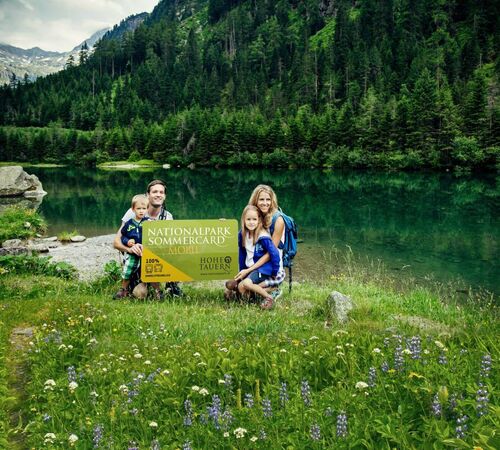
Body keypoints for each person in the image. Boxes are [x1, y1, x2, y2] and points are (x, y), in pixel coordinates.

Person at [113, 179, 182, 299]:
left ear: (164, 196)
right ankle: (127, 288)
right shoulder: (134, 212)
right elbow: (116, 242)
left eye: (161, 192)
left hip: (156, 263)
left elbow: (171, 243)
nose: (158, 194)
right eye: (155, 191)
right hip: (136, 262)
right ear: (147, 195)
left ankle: (170, 287)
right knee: (140, 294)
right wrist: (129, 248)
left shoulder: (167, 216)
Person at [114, 194, 162, 299]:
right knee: (128, 270)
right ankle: (123, 290)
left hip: (146, 253)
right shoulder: (129, 223)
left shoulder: (148, 222)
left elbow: (155, 236)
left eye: (144, 209)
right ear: (133, 209)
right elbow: (123, 236)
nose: (141, 211)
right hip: (133, 253)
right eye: (138, 208)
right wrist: (128, 242)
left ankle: (158, 292)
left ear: (147, 209)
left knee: (151, 272)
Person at [233, 205, 280, 310]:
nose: (251, 222)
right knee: (241, 288)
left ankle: (268, 297)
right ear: (243, 220)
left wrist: (274, 273)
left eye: (254, 219)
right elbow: (229, 239)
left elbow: (275, 254)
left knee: (246, 283)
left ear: (259, 220)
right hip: (251, 268)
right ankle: (266, 291)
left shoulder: (263, 237)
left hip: (262, 269)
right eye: (248, 219)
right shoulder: (243, 234)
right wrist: (224, 225)